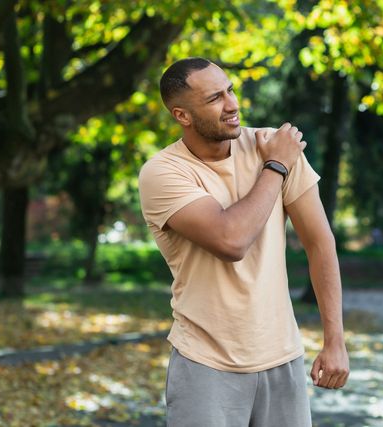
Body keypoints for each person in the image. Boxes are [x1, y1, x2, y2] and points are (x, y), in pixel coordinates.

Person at [138, 57, 349, 427]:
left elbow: (320, 243)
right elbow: (231, 241)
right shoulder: (163, 173)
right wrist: (276, 167)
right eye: (215, 98)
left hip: (282, 357)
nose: (233, 104)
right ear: (182, 115)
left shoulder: (270, 145)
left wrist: (335, 341)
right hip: (205, 363)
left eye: (231, 90)